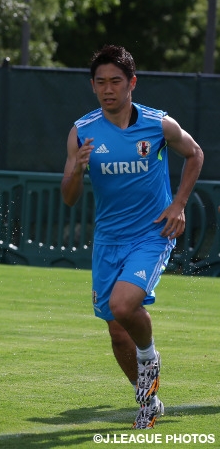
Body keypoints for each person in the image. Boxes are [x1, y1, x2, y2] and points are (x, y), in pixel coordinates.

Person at [61, 45, 203, 429]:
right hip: (108, 240)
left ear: (132, 83)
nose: (108, 89)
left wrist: (178, 204)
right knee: (115, 328)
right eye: (101, 82)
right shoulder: (82, 131)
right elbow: (69, 197)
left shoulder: (158, 125)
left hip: (152, 234)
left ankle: (149, 356)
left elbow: (195, 154)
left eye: (116, 82)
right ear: (92, 86)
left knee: (124, 306)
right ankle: (148, 399)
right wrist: (76, 170)